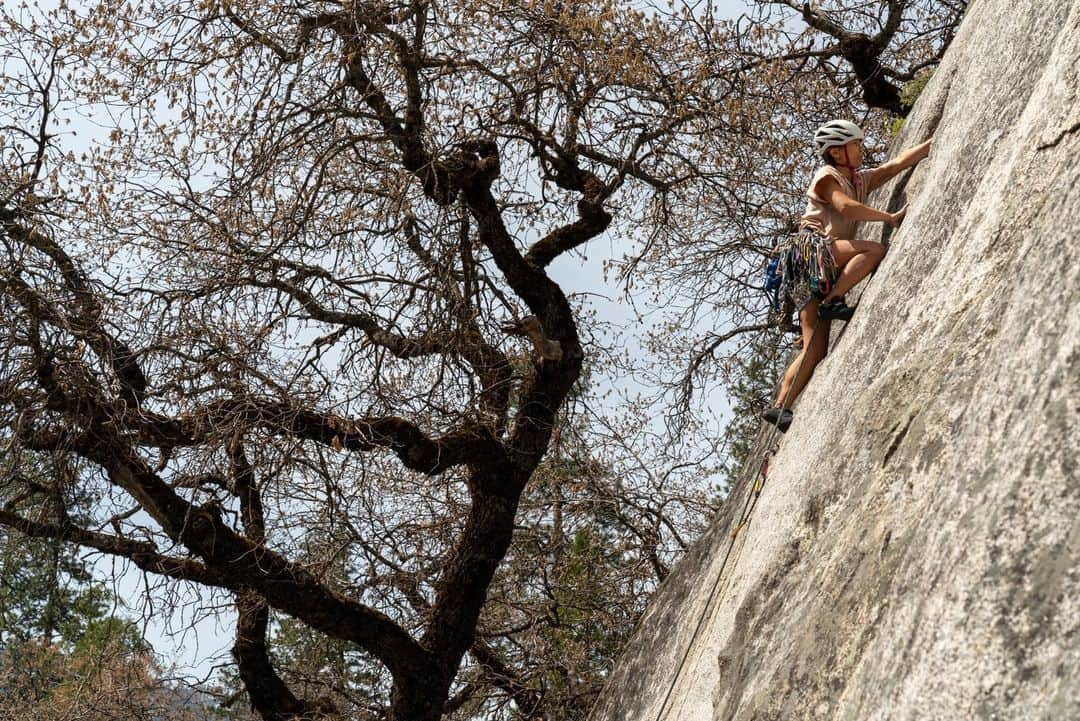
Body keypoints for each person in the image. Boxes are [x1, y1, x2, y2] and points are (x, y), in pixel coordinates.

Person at [762, 120, 932, 432]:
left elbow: (895, 164)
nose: (860, 149)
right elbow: (846, 207)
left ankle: (780, 407)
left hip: (808, 268)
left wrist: (932, 143)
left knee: (815, 348)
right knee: (873, 250)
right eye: (855, 144)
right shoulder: (828, 177)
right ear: (838, 153)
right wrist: (889, 218)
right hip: (811, 252)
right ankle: (834, 298)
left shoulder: (858, 180)